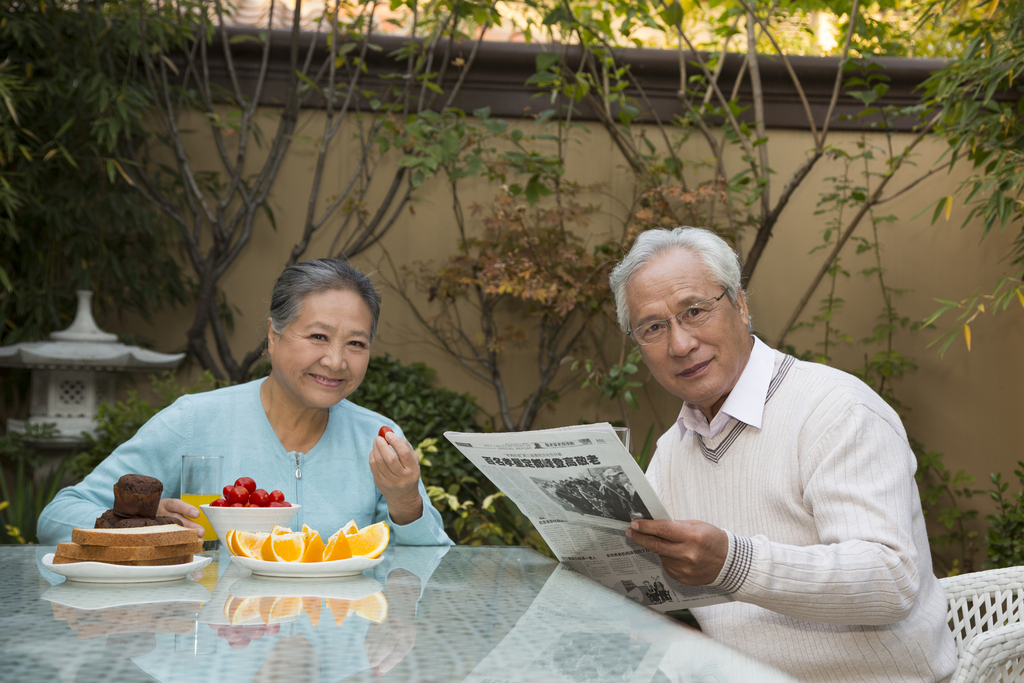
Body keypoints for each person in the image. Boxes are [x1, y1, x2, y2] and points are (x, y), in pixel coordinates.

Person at [608, 227, 956, 683]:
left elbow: (891, 579)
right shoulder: (673, 450)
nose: (680, 344)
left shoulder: (835, 410)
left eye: (694, 311)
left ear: (742, 307)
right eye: (653, 327)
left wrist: (734, 562)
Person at [38, 259, 452, 547]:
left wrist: (404, 502)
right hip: (220, 656)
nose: (336, 360)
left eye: (356, 344)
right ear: (273, 337)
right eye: (318, 336)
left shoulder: (377, 438)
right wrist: (142, 523)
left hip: (340, 656)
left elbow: (432, 567)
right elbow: (58, 516)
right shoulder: (193, 419)